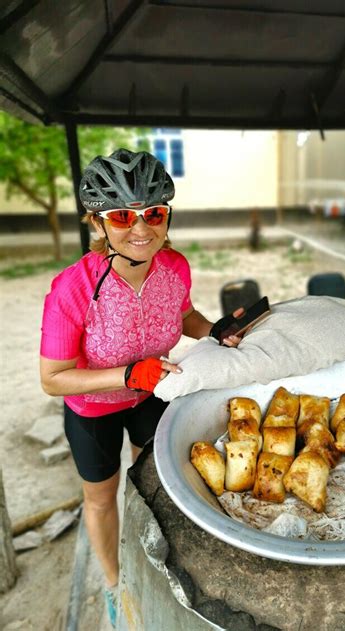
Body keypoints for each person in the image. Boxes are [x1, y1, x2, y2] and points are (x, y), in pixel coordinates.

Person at [39, 148, 242, 627]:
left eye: (153, 213)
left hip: (152, 395)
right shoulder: (73, 288)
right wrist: (126, 375)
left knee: (153, 480)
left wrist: (213, 329)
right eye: (123, 216)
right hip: (92, 410)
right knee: (101, 496)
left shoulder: (175, 267)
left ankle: (151, 553)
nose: (141, 229)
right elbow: (52, 378)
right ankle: (114, 584)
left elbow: (184, 314)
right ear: (97, 223)